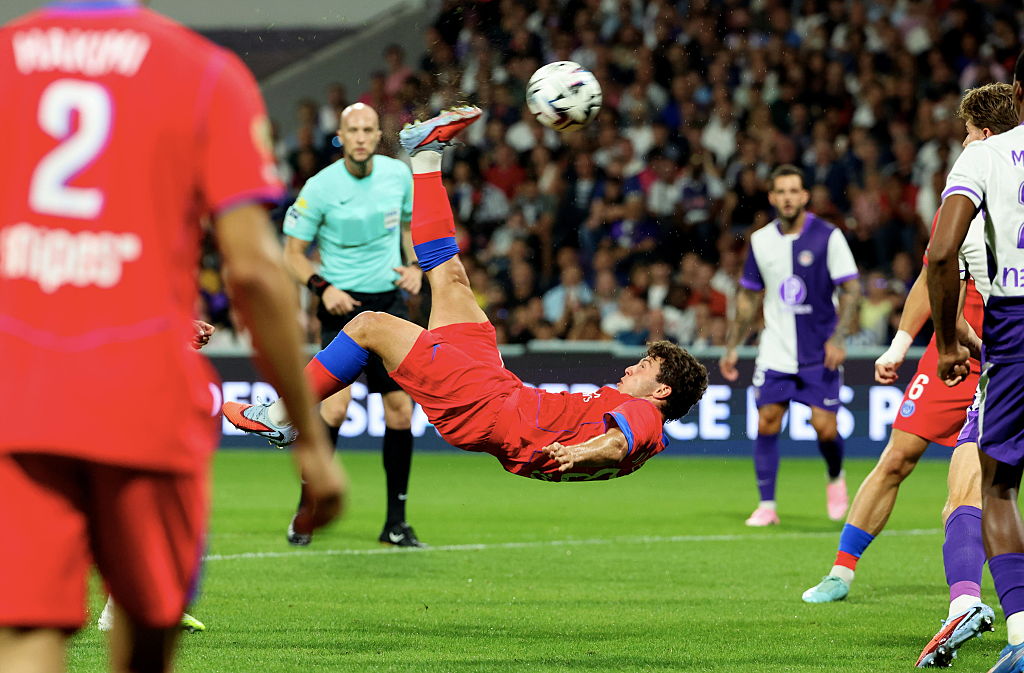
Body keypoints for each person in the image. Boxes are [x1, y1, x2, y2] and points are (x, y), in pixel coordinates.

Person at [0, 4, 343, 673]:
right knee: (148, 625)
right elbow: (253, 269)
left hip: (22, 389)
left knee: (28, 632)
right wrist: (309, 435)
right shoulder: (204, 74)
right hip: (144, 392)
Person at [225, 106, 709, 483]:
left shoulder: (643, 415)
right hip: (500, 392)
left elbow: (614, 446)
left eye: (644, 368)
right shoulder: (650, 433)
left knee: (369, 325)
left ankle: (281, 415)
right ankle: (425, 153)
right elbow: (619, 447)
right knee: (450, 277)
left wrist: (578, 451)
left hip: (484, 408)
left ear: (662, 391)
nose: (630, 367)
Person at [800, 83, 1018, 668]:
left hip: (997, 351)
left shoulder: (991, 176)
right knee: (899, 459)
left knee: (971, 487)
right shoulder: (969, 195)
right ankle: (843, 571)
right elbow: (932, 272)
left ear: (985, 133)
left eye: (970, 134)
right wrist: (901, 343)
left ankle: (969, 604)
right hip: (951, 349)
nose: (964, 144)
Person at [282, 102, 423, 547]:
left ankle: (395, 523)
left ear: (378, 134)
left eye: (368, 130)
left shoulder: (398, 176)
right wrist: (323, 288)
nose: (360, 137)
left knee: (401, 411)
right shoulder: (320, 188)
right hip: (340, 306)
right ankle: (307, 511)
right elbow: (292, 253)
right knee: (335, 409)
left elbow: (408, 227)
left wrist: (415, 264)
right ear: (340, 136)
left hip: (388, 303)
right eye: (352, 130)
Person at [929, 52, 1024, 673]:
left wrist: (946, 341)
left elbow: (940, 254)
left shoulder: (986, 156)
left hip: (1015, 324)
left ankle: (1021, 633)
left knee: (996, 486)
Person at [719, 165, 861, 526]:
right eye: (780, 191)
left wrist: (839, 337)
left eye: (793, 190)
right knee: (767, 421)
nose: (787, 197)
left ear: (804, 196)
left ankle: (835, 477)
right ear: (772, 197)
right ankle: (767, 505)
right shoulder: (761, 240)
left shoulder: (828, 236)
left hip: (819, 351)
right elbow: (749, 297)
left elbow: (851, 289)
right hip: (776, 351)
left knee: (824, 427)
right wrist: (733, 345)